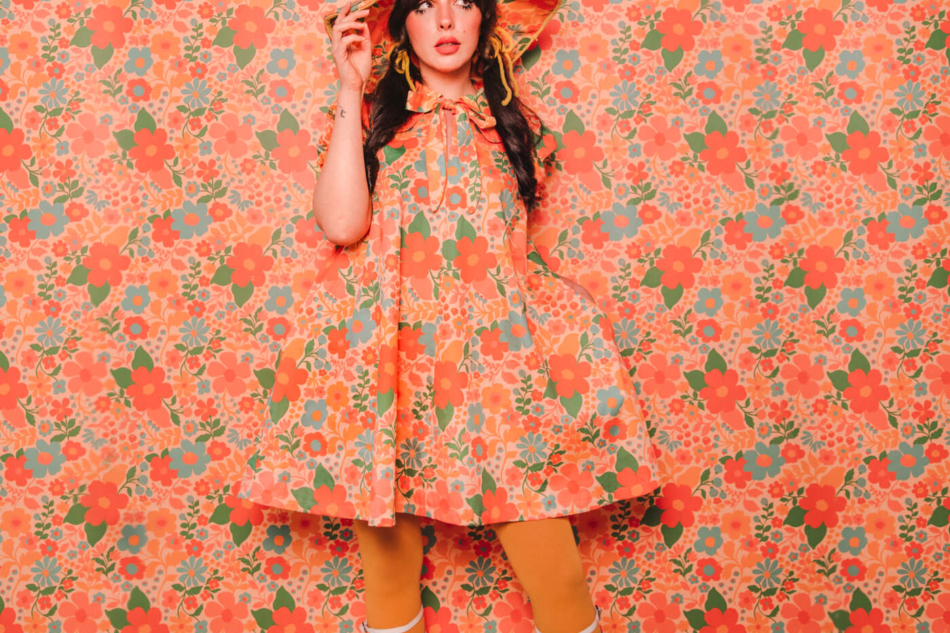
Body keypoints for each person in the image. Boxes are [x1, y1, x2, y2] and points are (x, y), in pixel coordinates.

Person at [235, 0, 661, 632]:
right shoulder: (374, 120)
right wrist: (350, 89)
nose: (444, 23)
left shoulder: (514, 127)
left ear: (483, 23)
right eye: (425, 6)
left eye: (463, 4)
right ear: (400, 24)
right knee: (389, 575)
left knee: (559, 576)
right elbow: (343, 225)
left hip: (498, 366)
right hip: (387, 369)